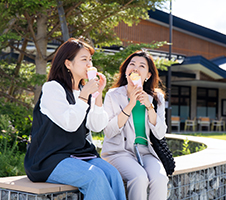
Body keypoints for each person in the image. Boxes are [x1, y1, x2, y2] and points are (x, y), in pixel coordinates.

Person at [24, 38, 126, 200]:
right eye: (84, 59)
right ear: (68, 64)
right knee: (95, 177)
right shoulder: (52, 88)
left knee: (113, 174)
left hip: (80, 154)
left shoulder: (83, 91)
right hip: (49, 158)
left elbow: (97, 125)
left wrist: (98, 94)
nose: (89, 64)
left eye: (90, 60)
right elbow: (69, 124)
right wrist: (85, 95)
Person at [101, 50, 169, 200]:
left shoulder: (156, 98)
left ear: (148, 75)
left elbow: (160, 133)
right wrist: (130, 104)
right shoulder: (113, 95)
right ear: (126, 71)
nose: (135, 68)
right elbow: (109, 131)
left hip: (146, 152)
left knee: (160, 179)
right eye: (132, 64)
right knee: (139, 177)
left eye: (142, 66)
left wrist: (149, 107)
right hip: (118, 152)